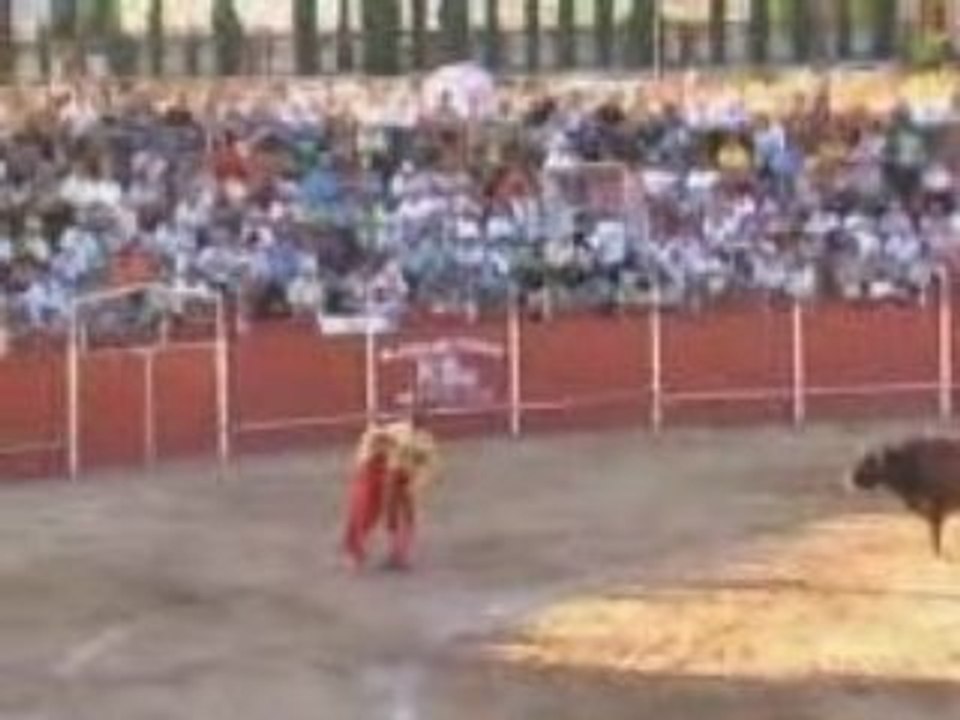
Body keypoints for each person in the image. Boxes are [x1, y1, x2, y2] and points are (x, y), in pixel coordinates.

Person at [381, 419, 439, 571]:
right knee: (392, 514)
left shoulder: (425, 440)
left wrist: (417, 484)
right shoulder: (399, 429)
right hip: (394, 474)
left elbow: (430, 467)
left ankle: (401, 555)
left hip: (407, 476)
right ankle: (395, 553)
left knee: (405, 516)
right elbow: (378, 437)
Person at [341, 424, 396, 570]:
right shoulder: (368, 449)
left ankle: (355, 550)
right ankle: (354, 552)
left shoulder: (384, 449)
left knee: (370, 517)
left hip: (375, 483)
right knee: (361, 516)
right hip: (365, 482)